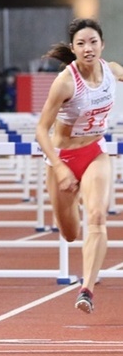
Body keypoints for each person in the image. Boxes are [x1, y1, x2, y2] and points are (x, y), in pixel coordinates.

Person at [36, 18, 123, 314]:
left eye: (93, 42)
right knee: (70, 233)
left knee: (97, 216)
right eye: (82, 44)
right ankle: (69, 204)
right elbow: (40, 130)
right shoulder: (65, 82)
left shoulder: (112, 71)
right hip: (63, 158)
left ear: (102, 45)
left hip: (95, 152)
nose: (88, 48)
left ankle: (86, 289)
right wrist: (60, 168)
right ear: (73, 49)